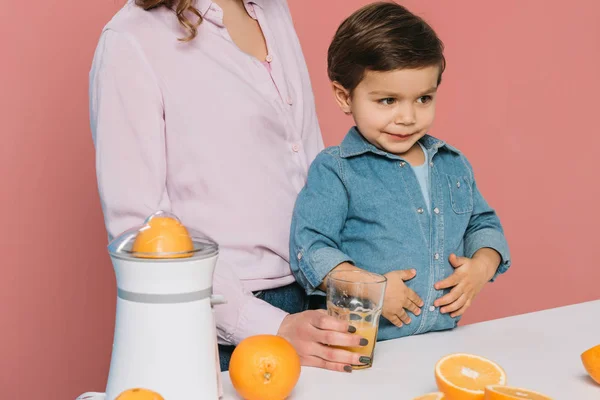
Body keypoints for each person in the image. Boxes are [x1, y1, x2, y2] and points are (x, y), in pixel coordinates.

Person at [89, 0, 370, 373]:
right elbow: (142, 229)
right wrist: (271, 326)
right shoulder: (131, 39)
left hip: (318, 296)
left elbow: (309, 166)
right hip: (223, 326)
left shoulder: (273, 10)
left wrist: (354, 269)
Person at [289, 1, 512, 342]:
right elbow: (311, 246)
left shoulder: (452, 164)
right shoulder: (337, 170)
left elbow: (482, 223)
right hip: (362, 348)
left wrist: (482, 266)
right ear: (344, 96)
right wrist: (369, 288)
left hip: (440, 340)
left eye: (423, 98)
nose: (408, 117)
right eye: (388, 101)